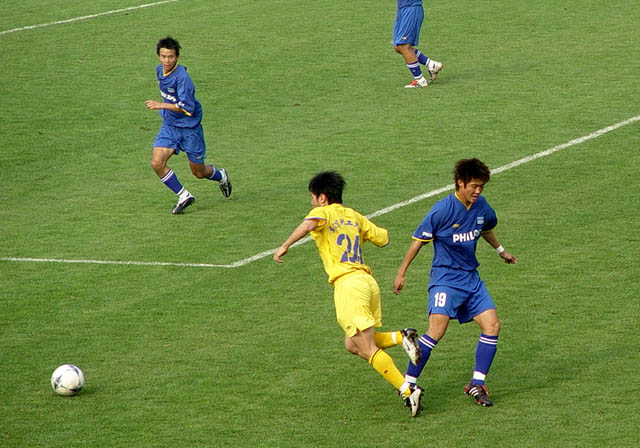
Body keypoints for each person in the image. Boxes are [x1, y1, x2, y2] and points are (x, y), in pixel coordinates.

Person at [273, 171, 425, 417]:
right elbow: (383, 239)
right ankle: (401, 337)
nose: (311, 203)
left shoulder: (322, 213)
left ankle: (408, 390)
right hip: (367, 282)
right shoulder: (354, 216)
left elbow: (309, 224)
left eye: (312, 198)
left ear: (322, 198)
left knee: (367, 347)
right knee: (352, 344)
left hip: (348, 286)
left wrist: (285, 245)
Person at [393, 158, 517, 407]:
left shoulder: (481, 206)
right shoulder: (442, 210)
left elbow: (485, 228)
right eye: (474, 186)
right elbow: (418, 242)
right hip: (446, 280)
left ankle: (477, 383)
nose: (478, 191)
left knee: (492, 325)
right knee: (436, 331)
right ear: (460, 183)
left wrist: (501, 251)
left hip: (471, 279)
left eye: (481, 186)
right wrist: (401, 272)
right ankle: (408, 385)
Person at [145, 36, 231, 214]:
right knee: (157, 162)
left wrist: (161, 105)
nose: (167, 60)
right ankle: (184, 195)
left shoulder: (183, 79)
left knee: (199, 172)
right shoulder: (159, 71)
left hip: (190, 129)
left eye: (171, 57)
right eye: (163, 56)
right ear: (158, 56)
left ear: (177, 57)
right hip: (170, 126)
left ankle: (221, 176)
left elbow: (187, 108)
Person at [393, 0, 443, 88]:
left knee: (403, 46)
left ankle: (420, 80)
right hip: (402, 9)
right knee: (398, 47)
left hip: (411, 8)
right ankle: (432, 65)